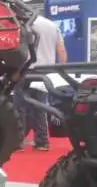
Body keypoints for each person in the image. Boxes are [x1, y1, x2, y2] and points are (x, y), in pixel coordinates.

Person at [15, 14, 67, 151]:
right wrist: (63, 72)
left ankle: (18, 142)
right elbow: (61, 50)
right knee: (41, 107)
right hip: (45, 72)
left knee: (20, 106)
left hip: (25, 70)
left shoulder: (23, 25)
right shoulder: (52, 26)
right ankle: (42, 142)